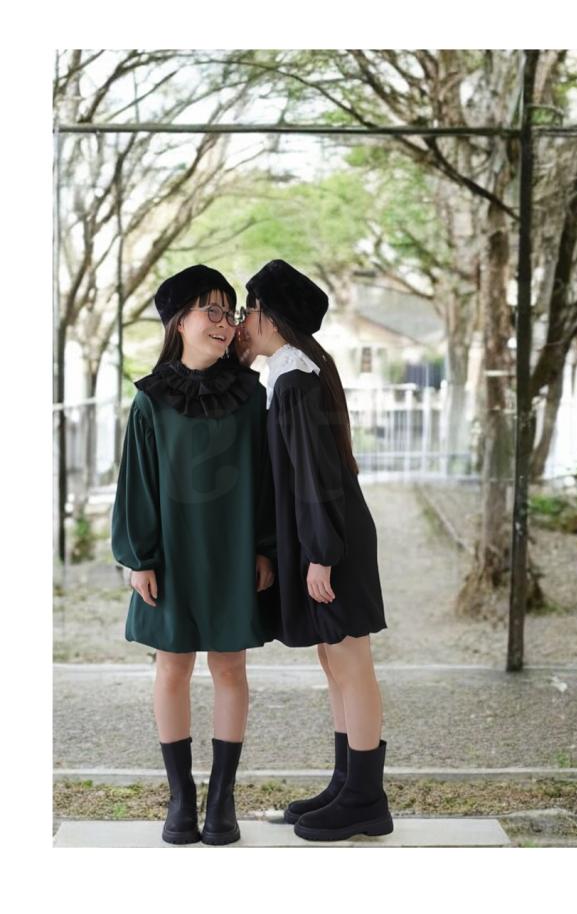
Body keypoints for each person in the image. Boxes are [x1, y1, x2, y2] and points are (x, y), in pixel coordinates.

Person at [111, 264, 277, 846]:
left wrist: (265, 548)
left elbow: (267, 479)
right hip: (172, 554)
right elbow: (136, 483)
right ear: (178, 321)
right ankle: (180, 797)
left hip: (233, 551)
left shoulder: (251, 396)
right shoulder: (150, 401)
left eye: (230, 311)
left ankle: (222, 799)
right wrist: (139, 557)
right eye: (211, 310)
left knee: (230, 667)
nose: (225, 321)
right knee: (172, 666)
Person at [234, 259, 393, 842]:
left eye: (247, 310)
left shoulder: (296, 379)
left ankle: (366, 799)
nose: (240, 321)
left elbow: (317, 475)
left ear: (271, 317)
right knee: (334, 660)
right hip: (322, 538)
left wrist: (322, 554)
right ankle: (346, 784)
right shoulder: (289, 372)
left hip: (334, 542)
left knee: (351, 662)